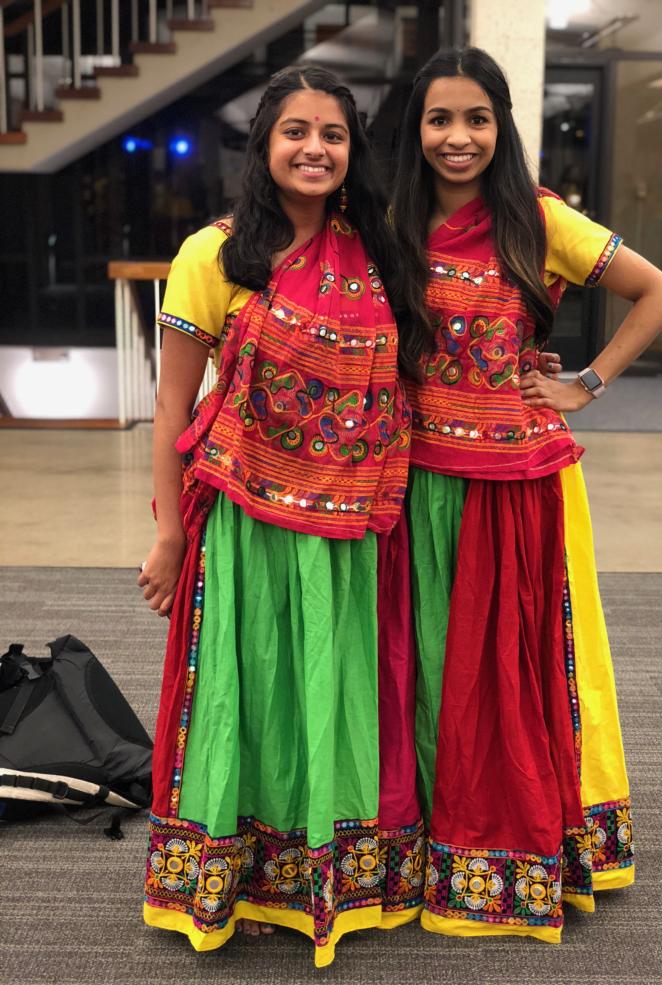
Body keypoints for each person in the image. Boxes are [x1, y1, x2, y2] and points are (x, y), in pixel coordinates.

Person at [390, 47, 662, 942]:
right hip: (410, 476)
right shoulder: (386, 220)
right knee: (427, 660)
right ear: (416, 129)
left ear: (500, 126)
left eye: (477, 118)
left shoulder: (537, 217)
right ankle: (427, 840)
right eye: (440, 119)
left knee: (517, 661)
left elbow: (657, 292)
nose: (457, 137)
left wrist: (584, 381)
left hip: (520, 482)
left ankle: (523, 838)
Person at [138, 65, 428, 968]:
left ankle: (327, 877)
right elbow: (174, 412)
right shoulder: (213, 254)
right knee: (248, 696)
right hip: (247, 525)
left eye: (333, 134)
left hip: (352, 531)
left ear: (353, 150)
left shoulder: (380, 251)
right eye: (295, 131)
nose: (315, 148)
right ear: (264, 145)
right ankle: (238, 878)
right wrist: (167, 533)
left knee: (334, 696)